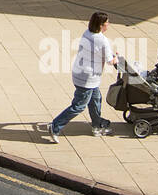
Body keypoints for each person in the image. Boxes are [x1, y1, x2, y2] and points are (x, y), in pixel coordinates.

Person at [46, 11, 117, 142]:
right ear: (101, 25)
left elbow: (96, 52)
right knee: (79, 105)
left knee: (96, 99)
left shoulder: (87, 33)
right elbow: (109, 61)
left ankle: (97, 125)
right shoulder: (102, 40)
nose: (109, 25)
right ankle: (55, 126)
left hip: (80, 73)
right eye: (107, 23)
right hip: (88, 78)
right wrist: (116, 59)